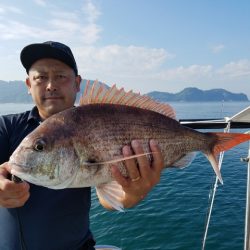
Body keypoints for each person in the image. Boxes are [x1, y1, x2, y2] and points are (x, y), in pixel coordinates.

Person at [0, 41, 164, 250]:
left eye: (60, 76)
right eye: (40, 77)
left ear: (77, 83)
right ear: (28, 85)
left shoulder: (88, 123)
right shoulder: (6, 127)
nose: (51, 85)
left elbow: (107, 197)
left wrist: (133, 193)